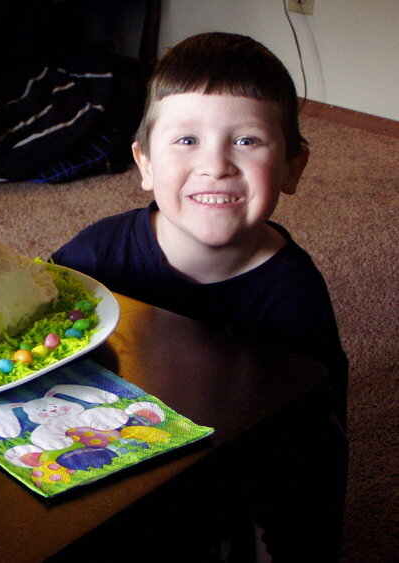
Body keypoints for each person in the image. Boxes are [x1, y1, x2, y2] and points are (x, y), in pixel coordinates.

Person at [51, 32, 348, 560]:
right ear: (144, 163)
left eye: (247, 141)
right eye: (187, 140)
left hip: (223, 463)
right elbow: (39, 332)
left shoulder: (293, 295)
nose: (216, 165)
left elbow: (317, 441)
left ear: (294, 166)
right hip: (102, 440)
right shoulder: (96, 255)